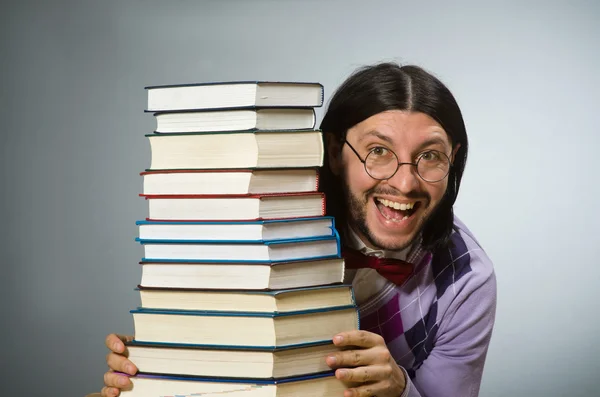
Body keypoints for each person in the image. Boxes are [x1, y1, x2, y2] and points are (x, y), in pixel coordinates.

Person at [101, 62, 497, 397]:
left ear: (454, 159)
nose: (406, 184)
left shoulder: (467, 278)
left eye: (430, 156)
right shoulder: (262, 224)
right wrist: (158, 362)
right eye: (378, 152)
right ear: (334, 152)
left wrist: (399, 389)